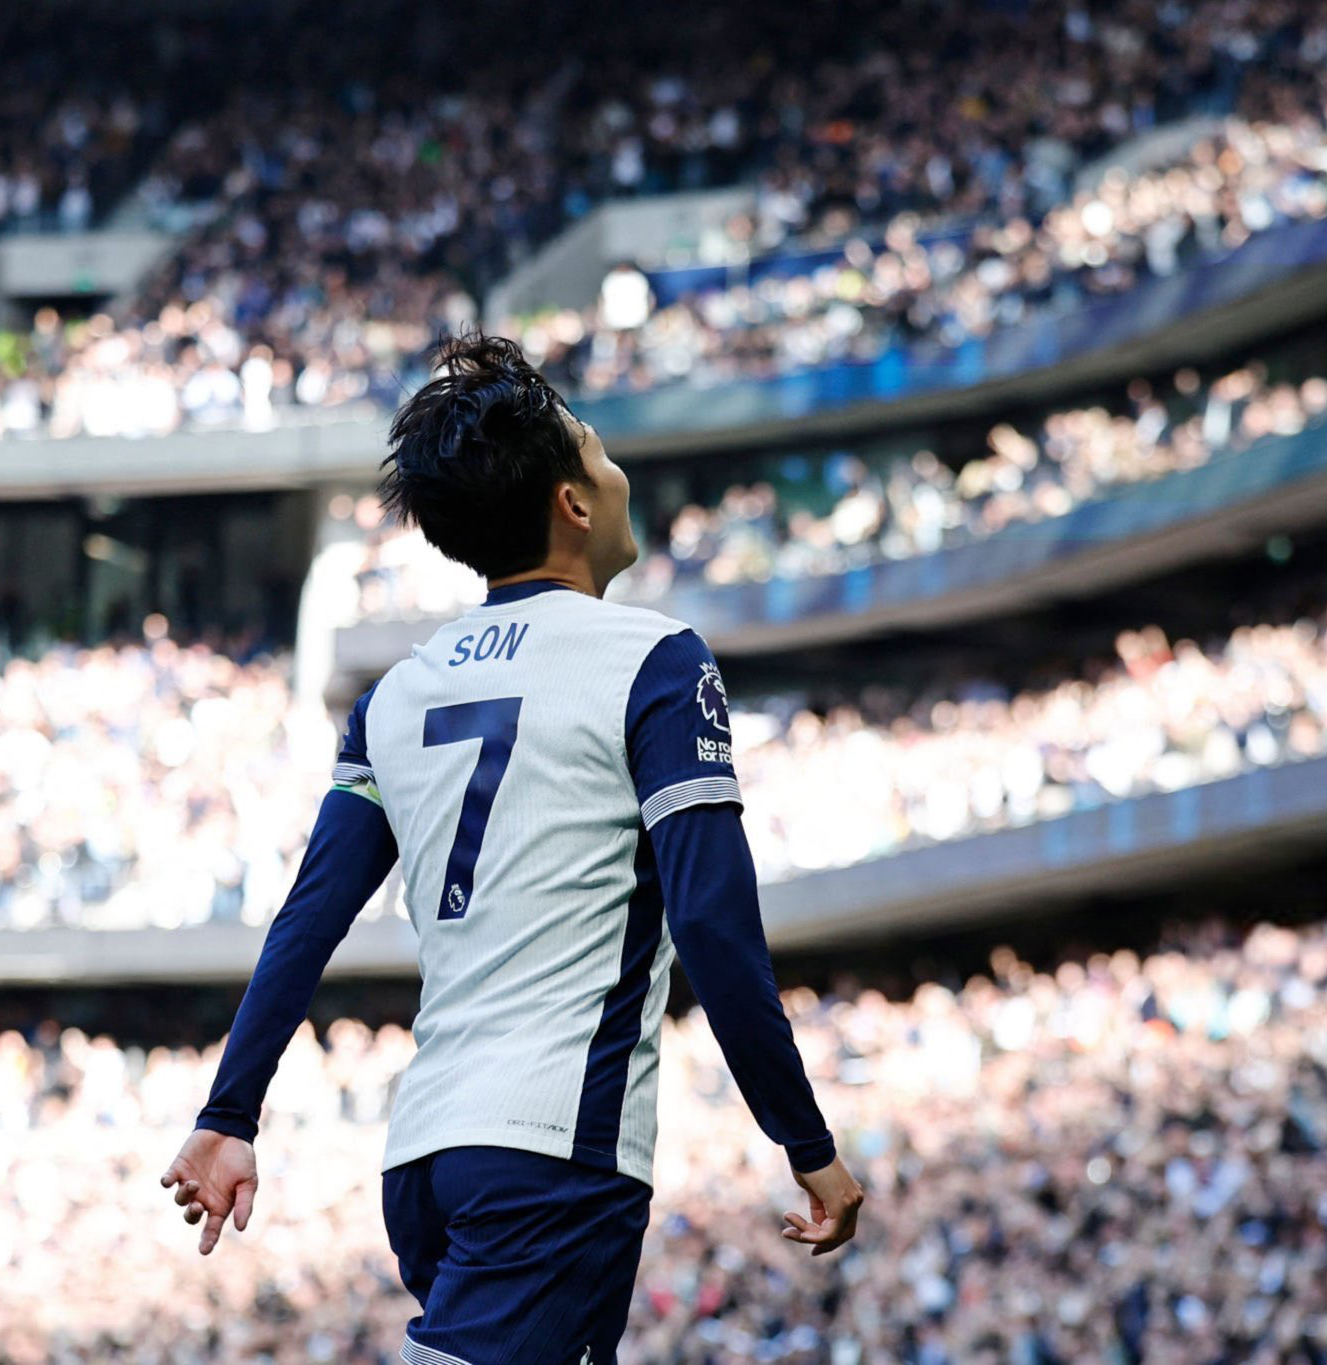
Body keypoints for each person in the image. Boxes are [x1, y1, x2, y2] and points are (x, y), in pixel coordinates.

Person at [158, 334, 863, 1364]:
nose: (617, 470)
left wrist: (232, 1111)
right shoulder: (657, 661)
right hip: (553, 1154)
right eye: (599, 451)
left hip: (425, 1157)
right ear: (574, 503)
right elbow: (710, 921)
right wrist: (806, 1145)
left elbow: (310, 915)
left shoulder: (394, 694)